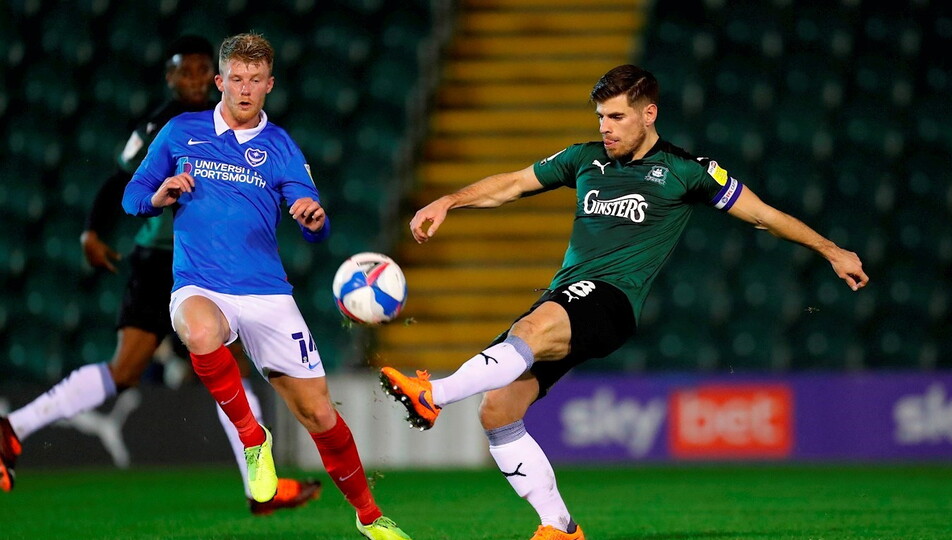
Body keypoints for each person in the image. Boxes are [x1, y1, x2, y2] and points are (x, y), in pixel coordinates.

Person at [379, 64, 870, 540]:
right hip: (567, 299)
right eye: (600, 117)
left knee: (530, 330)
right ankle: (560, 528)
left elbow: (762, 214)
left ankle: (434, 394)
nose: (605, 128)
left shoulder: (686, 171)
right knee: (498, 409)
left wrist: (831, 251)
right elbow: (512, 184)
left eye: (616, 117)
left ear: (648, 114)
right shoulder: (584, 159)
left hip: (612, 301)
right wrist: (448, 200)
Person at [0, 34, 320, 515]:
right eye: (183, 71)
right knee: (127, 369)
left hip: (217, 271)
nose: (193, 79)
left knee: (227, 369)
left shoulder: (236, 125)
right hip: (161, 262)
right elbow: (122, 179)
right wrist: (92, 229)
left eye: (200, 69)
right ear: (171, 78)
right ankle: (14, 427)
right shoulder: (164, 125)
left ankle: (261, 486)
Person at [121, 33, 411, 540]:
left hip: (267, 294)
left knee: (318, 414)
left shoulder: (280, 147)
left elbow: (315, 224)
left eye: (255, 80)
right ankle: (254, 440)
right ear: (220, 81)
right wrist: (159, 194)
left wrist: (313, 217)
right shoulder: (180, 131)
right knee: (199, 331)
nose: (245, 89)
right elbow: (132, 196)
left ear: (269, 85)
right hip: (200, 283)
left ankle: (370, 516)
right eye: (236, 78)